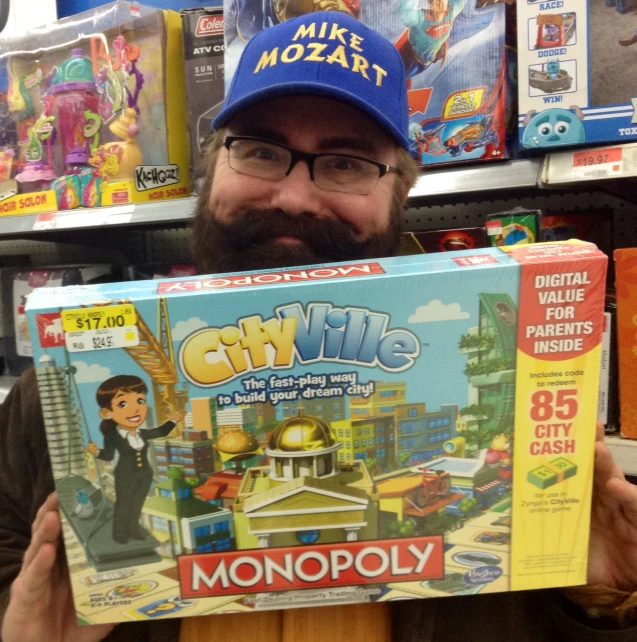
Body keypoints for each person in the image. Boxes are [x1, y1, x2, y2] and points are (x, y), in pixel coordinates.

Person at [1, 10, 637, 642]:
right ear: (210, 168)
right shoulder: (63, 396)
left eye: (346, 163)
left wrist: (601, 601)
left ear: (400, 194)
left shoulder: (537, 419)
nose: (294, 198)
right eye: (259, 150)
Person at [87, 375, 186, 545]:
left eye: (140, 401)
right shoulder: (113, 436)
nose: (135, 409)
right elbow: (109, 456)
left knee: (137, 504)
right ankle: (119, 534)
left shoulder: (142, 433)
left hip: (145, 474)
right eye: (123, 404)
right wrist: (97, 452)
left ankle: (133, 530)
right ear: (106, 413)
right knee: (124, 504)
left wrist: (173, 421)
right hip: (125, 475)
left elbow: (161, 432)